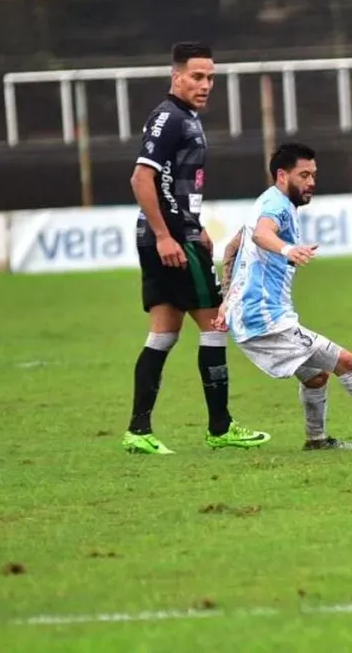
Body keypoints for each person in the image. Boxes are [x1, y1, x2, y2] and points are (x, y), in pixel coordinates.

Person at [213, 143, 352, 451]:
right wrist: (288, 249)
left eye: (313, 175)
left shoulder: (267, 201)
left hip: (252, 315)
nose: (311, 182)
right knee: (345, 361)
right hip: (265, 320)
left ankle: (316, 440)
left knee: (317, 376)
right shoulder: (276, 208)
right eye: (303, 175)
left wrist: (227, 300)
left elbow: (231, 248)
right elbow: (260, 235)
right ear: (282, 175)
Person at [123, 41, 268, 455]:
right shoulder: (170, 118)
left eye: (210, 78)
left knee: (164, 334)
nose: (205, 85)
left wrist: (195, 225)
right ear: (177, 77)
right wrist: (169, 234)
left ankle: (138, 430)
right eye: (197, 77)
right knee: (216, 325)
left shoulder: (184, 117)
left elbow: (170, 181)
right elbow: (141, 178)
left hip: (175, 234)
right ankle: (220, 427)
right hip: (169, 240)